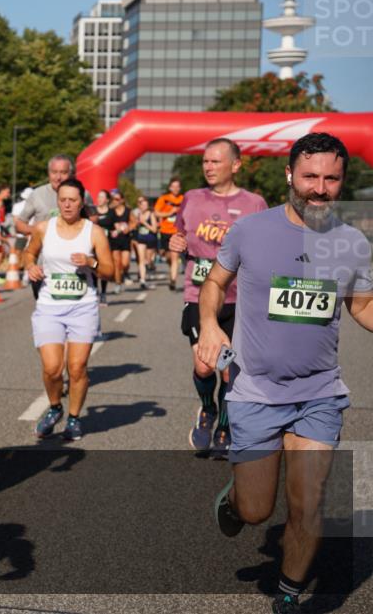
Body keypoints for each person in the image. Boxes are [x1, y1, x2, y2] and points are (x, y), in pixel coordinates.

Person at [200, 133, 372, 613]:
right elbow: (215, 283)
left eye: (331, 179)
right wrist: (210, 325)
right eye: (311, 176)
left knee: (308, 503)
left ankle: (290, 594)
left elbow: (362, 306)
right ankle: (234, 503)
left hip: (320, 393)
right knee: (257, 509)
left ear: (342, 181)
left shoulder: (351, 241)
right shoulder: (250, 231)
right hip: (255, 391)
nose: (320, 188)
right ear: (289, 175)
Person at [169, 138, 267, 459]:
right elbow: (177, 233)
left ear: (235, 165)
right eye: (205, 162)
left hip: (239, 299)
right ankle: (207, 409)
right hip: (199, 295)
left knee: (228, 370)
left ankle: (224, 425)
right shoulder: (192, 199)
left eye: (215, 162)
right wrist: (174, 243)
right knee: (203, 365)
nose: (208, 167)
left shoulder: (255, 204)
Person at [24, 178, 114, 441]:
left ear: (81, 202)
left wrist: (91, 261)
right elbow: (29, 253)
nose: (66, 204)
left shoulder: (93, 232)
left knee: (77, 368)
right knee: (53, 369)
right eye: (62, 199)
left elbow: (111, 271)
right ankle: (55, 408)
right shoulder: (43, 228)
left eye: (72, 200)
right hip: (49, 306)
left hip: (83, 307)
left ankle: (74, 417)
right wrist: (30, 266)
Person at [14, 154, 86, 299]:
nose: (58, 177)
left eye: (63, 173)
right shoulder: (37, 194)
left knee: (72, 307)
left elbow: (93, 219)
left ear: (71, 174)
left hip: (74, 263)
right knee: (44, 307)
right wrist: (37, 230)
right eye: (54, 172)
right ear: (49, 173)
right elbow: (19, 224)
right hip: (43, 263)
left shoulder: (81, 193)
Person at [155, 177, 184, 290]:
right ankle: (171, 267)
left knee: (174, 257)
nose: (176, 188)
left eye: (178, 186)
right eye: (174, 186)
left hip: (176, 232)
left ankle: (173, 280)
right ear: (170, 187)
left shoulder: (183, 199)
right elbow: (157, 213)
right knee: (166, 256)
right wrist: (169, 213)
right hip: (164, 232)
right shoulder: (164, 198)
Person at [106, 189, 136, 294]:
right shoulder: (110, 211)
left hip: (125, 240)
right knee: (117, 263)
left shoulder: (128, 211)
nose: (115, 201)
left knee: (125, 263)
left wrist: (129, 228)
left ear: (122, 200)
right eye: (113, 199)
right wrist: (112, 229)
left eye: (117, 199)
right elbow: (106, 223)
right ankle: (118, 283)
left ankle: (125, 273)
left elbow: (134, 222)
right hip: (114, 240)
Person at [90, 189, 113, 305]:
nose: (99, 199)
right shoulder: (92, 211)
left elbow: (116, 225)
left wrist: (117, 230)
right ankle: (94, 290)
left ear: (107, 200)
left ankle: (103, 293)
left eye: (102, 197)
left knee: (103, 269)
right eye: (98, 196)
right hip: (93, 244)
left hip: (107, 244)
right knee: (94, 267)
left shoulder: (111, 212)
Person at [133, 195, 159, 290]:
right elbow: (134, 227)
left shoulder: (151, 214)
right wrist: (136, 224)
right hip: (141, 239)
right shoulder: (138, 214)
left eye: (145, 205)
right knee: (141, 260)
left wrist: (144, 223)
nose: (144, 207)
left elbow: (154, 229)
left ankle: (151, 266)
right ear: (139, 206)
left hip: (151, 239)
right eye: (142, 205)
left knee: (148, 260)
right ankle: (142, 280)